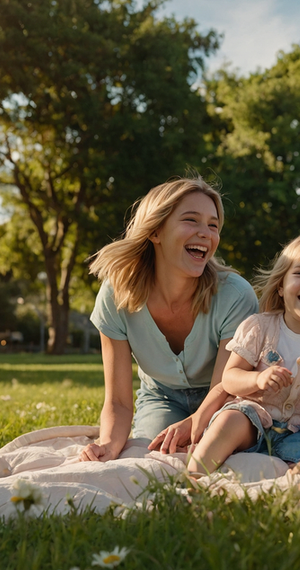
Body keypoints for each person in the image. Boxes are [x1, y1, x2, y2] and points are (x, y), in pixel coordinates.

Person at [80, 175, 258, 463]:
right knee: (149, 456)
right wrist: (109, 445)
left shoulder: (235, 295)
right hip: (161, 396)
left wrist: (197, 422)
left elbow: (227, 385)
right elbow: (119, 402)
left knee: (212, 450)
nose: (206, 233)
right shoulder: (116, 294)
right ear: (155, 232)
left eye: (213, 225)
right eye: (191, 220)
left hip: (227, 398)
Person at [187, 232, 300, 474]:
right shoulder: (259, 327)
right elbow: (230, 378)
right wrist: (257, 379)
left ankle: (295, 489)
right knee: (228, 421)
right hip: (252, 418)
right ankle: (194, 477)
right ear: (280, 286)